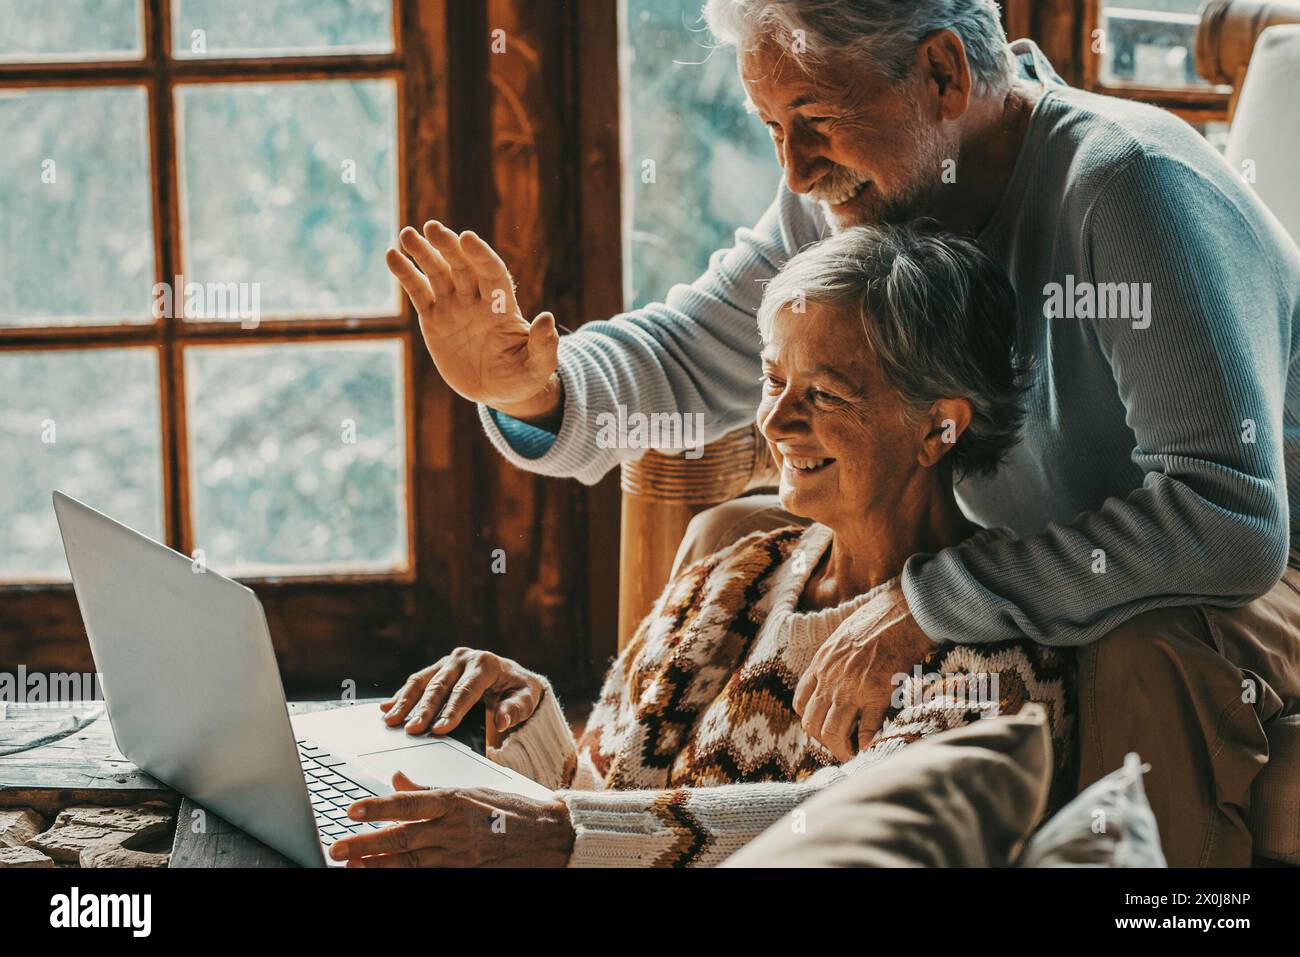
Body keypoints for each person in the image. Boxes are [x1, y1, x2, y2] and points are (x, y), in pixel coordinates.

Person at [384, 1, 1300, 866]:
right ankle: (641, 799)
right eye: (771, 126)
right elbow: (693, 350)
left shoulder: (1130, 186)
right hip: (1047, 536)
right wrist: (535, 385)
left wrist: (937, 598)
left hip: (1252, 559)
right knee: (733, 540)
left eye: (813, 118)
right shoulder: (855, 185)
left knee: (1143, 652)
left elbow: (1228, 520)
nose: (794, 168)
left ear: (942, 72)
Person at [331, 226, 1071, 867]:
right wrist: (529, 721)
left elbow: (843, 824)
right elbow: (609, 811)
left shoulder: (997, 649)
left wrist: (561, 834)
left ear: (939, 426)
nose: (777, 421)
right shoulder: (736, 572)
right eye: (774, 380)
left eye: (826, 393)